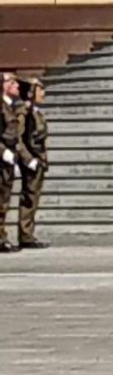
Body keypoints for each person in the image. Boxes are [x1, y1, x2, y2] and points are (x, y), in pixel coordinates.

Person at [0, 72, 42, 253]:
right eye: (11, 82)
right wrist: (4, 153)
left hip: (10, 159)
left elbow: (15, 137)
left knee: (4, 200)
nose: (16, 85)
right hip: (3, 158)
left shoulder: (11, 108)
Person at [17, 78, 48, 249]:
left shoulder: (35, 112)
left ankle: (28, 233)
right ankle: (25, 235)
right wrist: (28, 160)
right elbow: (19, 138)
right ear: (31, 92)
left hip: (39, 160)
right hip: (31, 160)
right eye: (40, 89)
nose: (43, 93)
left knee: (33, 199)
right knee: (29, 198)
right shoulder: (24, 113)